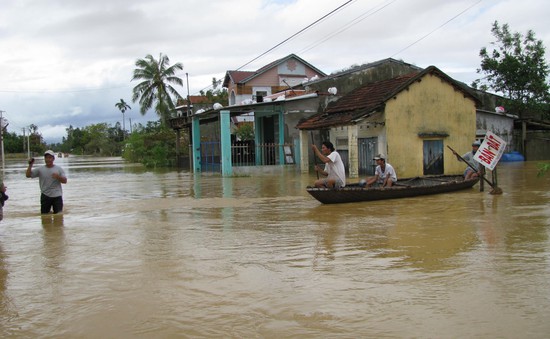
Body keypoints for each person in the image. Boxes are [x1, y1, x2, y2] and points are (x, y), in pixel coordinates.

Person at [26, 150, 68, 214]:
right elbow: (28, 175)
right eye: (46, 158)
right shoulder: (40, 169)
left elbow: (65, 181)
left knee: (59, 216)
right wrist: (30, 165)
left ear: (53, 159)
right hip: (45, 196)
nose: (48, 159)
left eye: (50, 157)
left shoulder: (59, 169)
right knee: (44, 216)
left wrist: (58, 177)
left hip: (57, 196)